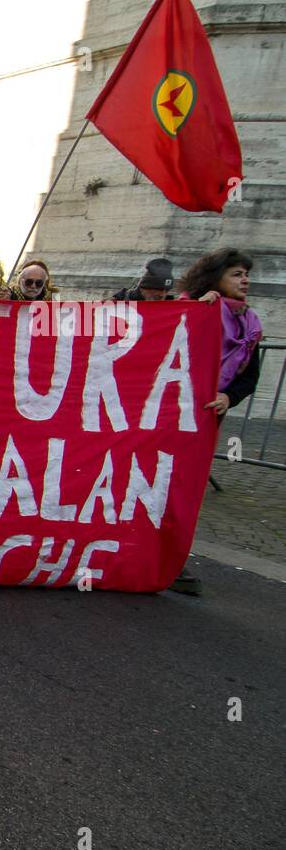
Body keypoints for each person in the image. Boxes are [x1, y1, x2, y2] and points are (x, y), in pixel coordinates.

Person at [167, 248, 262, 597]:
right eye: (237, 274)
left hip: (207, 417)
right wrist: (194, 308)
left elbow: (249, 377)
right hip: (171, 414)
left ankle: (173, 559)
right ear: (216, 278)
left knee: (187, 488)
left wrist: (228, 397)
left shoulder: (250, 326)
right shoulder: (194, 308)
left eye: (246, 274)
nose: (245, 280)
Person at [111, 257, 176, 302]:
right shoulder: (116, 304)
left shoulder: (173, 309)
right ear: (143, 288)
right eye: (158, 289)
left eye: (167, 291)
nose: (162, 295)